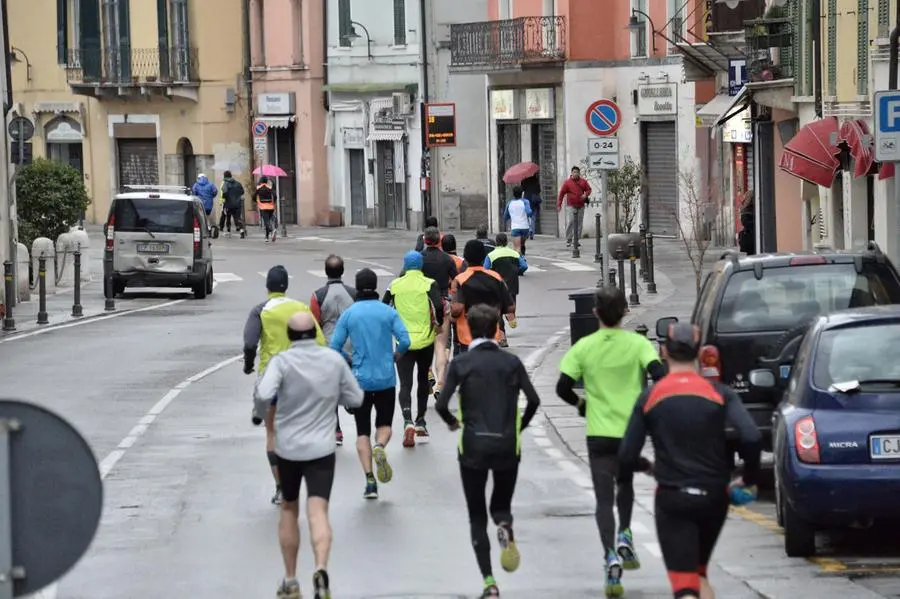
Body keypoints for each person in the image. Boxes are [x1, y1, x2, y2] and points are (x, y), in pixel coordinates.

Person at [619, 322, 761, 599]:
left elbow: (625, 455)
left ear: (663, 352)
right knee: (699, 573)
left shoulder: (651, 397)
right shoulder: (720, 393)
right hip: (714, 497)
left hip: (674, 498)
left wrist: (645, 467)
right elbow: (752, 437)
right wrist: (749, 479)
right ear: (699, 353)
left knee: (685, 585)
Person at [555, 286, 666, 598]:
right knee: (625, 483)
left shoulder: (584, 348)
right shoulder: (638, 344)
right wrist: (648, 407)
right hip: (631, 431)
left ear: (595, 313)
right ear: (625, 313)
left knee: (604, 499)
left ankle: (610, 557)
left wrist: (582, 406)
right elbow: (659, 374)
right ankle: (626, 535)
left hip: (598, 432)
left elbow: (562, 387)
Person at [253, 312, 364, 599]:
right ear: (315, 332)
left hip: (288, 449)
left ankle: (290, 580)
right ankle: (321, 569)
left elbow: (264, 394)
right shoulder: (333, 360)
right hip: (322, 450)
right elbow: (355, 398)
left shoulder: (281, 362)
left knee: (289, 509)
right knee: (318, 513)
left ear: (290, 336)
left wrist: (263, 411)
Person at [435, 304, 541, 599]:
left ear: (468, 328)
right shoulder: (512, 363)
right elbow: (533, 400)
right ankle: (505, 524)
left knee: (477, 516)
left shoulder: (461, 365)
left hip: (473, 445)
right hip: (508, 443)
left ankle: (489, 583)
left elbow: (441, 404)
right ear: (497, 328)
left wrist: (454, 423)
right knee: (501, 505)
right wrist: (520, 427)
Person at [243, 265, 326, 506]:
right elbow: (320, 342)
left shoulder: (260, 310)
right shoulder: (300, 309)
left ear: (267, 286)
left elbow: (250, 344)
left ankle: (281, 488)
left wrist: (248, 365)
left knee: (273, 433)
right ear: (286, 287)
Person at [330, 268, 410, 499]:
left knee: (362, 431)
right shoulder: (387, 312)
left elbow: (334, 346)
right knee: (384, 425)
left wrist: (350, 359)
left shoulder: (349, 314)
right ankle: (380, 447)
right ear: (375, 286)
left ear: (356, 287)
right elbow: (405, 340)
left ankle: (370, 481)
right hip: (385, 377)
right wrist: (396, 355)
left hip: (360, 380)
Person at [383, 251, 443, 446]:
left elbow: (384, 308)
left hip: (403, 342)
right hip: (425, 340)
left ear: (405, 265)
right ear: (420, 265)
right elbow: (438, 307)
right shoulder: (429, 284)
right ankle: (420, 422)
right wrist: (438, 324)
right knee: (423, 380)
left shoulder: (394, 285)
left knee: (405, 383)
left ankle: (407, 419)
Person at [310, 254, 358, 447]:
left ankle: (336, 430)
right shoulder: (354, 294)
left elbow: (314, 324)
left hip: (328, 348)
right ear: (343, 271)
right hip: (351, 347)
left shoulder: (317, 296)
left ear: (325, 271)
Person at [450, 240, 516, 354]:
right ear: (483, 256)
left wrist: (452, 315)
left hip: (467, 336)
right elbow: (510, 307)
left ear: (465, 257)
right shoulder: (496, 277)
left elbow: (457, 308)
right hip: (491, 334)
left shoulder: (460, 279)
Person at [420, 226, 458, 399]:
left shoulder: (418, 259)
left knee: (424, 343)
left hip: (422, 304)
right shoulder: (447, 259)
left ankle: (427, 372)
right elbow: (455, 279)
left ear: (424, 240)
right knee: (441, 344)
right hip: (442, 303)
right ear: (439, 241)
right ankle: (441, 383)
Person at [484, 233, 527, 348]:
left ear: (496, 242)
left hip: (496, 287)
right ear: (507, 242)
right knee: (510, 306)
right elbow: (524, 266)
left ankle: (502, 337)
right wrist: (515, 271)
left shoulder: (491, 255)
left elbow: (485, 269)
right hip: (512, 286)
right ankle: (511, 315)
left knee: (497, 313)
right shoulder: (514, 254)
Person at [557, 166, 591, 248]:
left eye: (577, 172)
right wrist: (559, 204)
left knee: (579, 223)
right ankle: (569, 238)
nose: (576, 174)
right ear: (571, 173)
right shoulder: (567, 183)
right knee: (572, 221)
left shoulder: (583, 182)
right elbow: (561, 194)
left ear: (579, 173)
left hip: (581, 205)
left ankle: (576, 240)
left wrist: (585, 194)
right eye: (574, 172)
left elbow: (589, 189)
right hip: (571, 205)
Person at [503, 185, 533, 255]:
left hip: (515, 228)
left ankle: (519, 263)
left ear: (513, 194)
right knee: (521, 244)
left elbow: (505, 216)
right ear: (522, 193)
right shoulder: (525, 202)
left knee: (517, 248)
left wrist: (513, 214)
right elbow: (529, 213)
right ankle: (522, 252)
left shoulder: (509, 203)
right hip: (525, 228)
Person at [219, 170, 246, 238]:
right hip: (238, 204)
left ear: (224, 176)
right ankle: (242, 231)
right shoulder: (238, 183)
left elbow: (224, 193)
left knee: (228, 217)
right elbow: (242, 192)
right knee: (238, 218)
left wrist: (225, 197)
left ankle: (228, 231)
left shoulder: (225, 183)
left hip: (229, 203)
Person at [253, 176, 278, 242]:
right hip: (271, 207)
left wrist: (257, 202)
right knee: (268, 221)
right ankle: (267, 237)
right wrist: (274, 202)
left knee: (266, 221)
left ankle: (271, 230)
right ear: (266, 181)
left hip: (263, 207)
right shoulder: (269, 187)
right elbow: (275, 196)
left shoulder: (258, 188)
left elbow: (253, 197)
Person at [521, 175, 542, 240]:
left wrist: (522, 181)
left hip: (527, 200)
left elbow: (522, 189)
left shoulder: (524, 180)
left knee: (527, 218)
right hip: (534, 201)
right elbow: (539, 190)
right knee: (533, 218)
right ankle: (532, 232)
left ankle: (527, 232)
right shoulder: (536, 180)